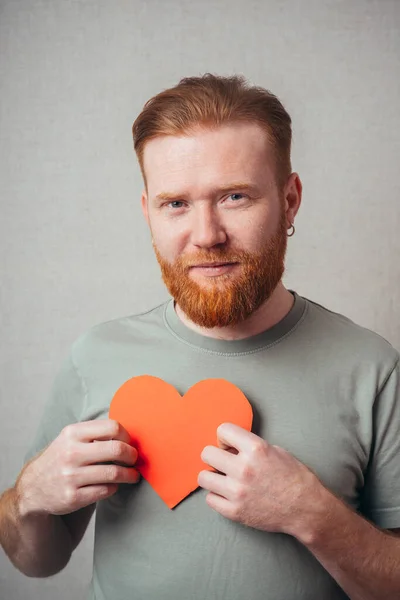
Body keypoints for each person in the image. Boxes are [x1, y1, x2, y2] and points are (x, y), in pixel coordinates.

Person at [0, 73, 399, 600]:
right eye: (176, 204)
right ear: (149, 213)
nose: (207, 235)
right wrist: (27, 496)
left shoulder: (371, 366)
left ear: (290, 199)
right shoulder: (94, 357)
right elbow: (37, 562)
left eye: (234, 197)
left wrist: (314, 516)